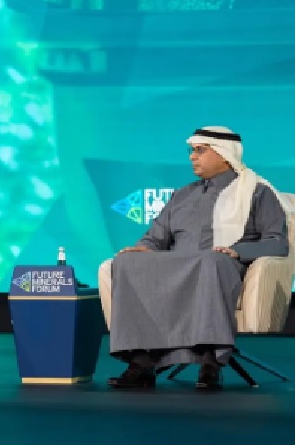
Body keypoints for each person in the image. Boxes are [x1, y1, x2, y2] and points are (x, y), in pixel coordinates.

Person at [106, 126, 290, 390]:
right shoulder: (182, 195)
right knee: (126, 261)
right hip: (178, 267)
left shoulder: (257, 193)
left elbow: (277, 243)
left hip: (220, 265)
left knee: (210, 260)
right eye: (191, 151)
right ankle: (141, 363)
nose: (192, 157)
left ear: (224, 155)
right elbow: (155, 239)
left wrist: (238, 251)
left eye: (200, 151)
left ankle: (210, 362)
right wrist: (144, 248)